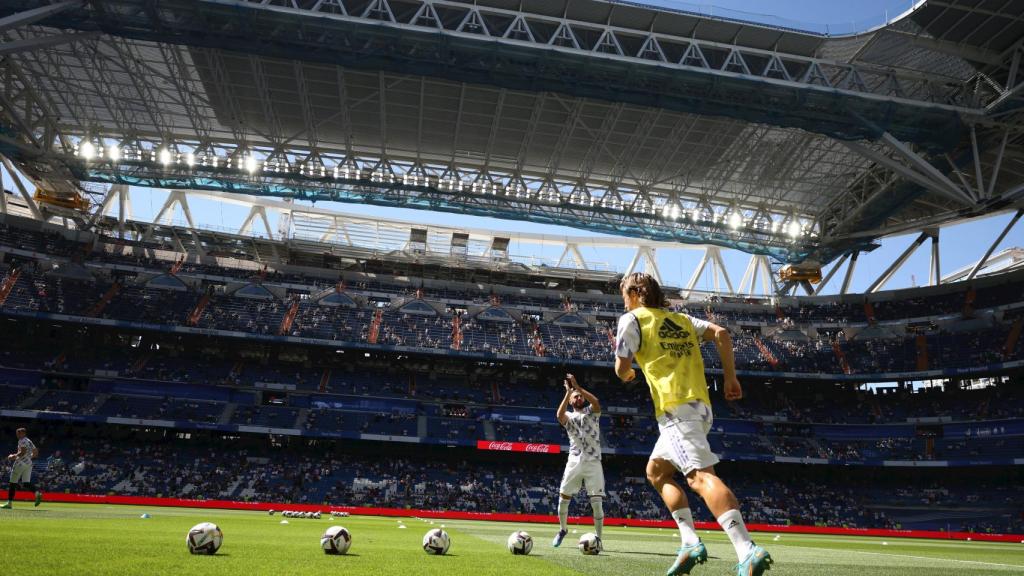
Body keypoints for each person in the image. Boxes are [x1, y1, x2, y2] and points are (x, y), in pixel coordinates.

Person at [614, 273, 772, 576]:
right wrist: (730, 378)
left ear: (634, 293)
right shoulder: (683, 320)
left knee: (699, 477)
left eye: (624, 293)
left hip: (674, 409)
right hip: (700, 406)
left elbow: (621, 368)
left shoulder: (632, 319)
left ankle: (746, 549)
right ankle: (689, 542)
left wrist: (628, 375)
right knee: (656, 472)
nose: (623, 299)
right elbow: (722, 334)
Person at [551, 373, 605, 547]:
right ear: (571, 401)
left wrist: (578, 387)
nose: (579, 397)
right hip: (574, 460)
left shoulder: (592, 412)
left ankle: (599, 539)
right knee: (563, 498)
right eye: (576, 396)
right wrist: (568, 392)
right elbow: (559, 415)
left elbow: (596, 402)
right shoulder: (568, 416)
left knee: (596, 503)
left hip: (593, 461)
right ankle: (563, 529)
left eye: (580, 396)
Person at [2, 428, 43, 509]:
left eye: (19, 433)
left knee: (12, 483)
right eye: (17, 433)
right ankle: (37, 493)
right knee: (26, 483)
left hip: (20, 463)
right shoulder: (29, 441)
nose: (17, 435)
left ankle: (9, 503)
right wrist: (29, 457)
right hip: (28, 464)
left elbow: (22, 452)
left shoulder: (22, 440)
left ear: (23, 433)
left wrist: (13, 456)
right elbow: (36, 452)